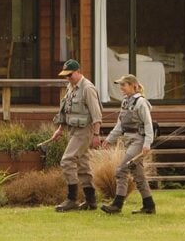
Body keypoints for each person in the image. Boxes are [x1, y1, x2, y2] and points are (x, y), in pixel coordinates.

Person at [50, 59, 103, 212]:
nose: (68, 78)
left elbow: (97, 114)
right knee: (83, 165)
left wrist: (96, 135)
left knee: (67, 160)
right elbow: (66, 110)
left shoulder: (88, 88)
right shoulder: (71, 87)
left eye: (70, 75)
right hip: (73, 130)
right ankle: (91, 201)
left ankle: (72, 199)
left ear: (79, 71)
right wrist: (60, 129)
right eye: (66, 75)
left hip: (84, 131)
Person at [101, 74, 156, 215]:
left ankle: (117, 205)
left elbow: (148, 124)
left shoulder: (141, 103)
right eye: (120, 85)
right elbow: (120, 125)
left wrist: (147, 144)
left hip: (139, 141)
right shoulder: (125, 102)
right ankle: (149, 206)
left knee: (121, 170)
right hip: (128, 140)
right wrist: (109, 140)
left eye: (123, 85)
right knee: (139, 175)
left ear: (133, 86)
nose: (121, 88)